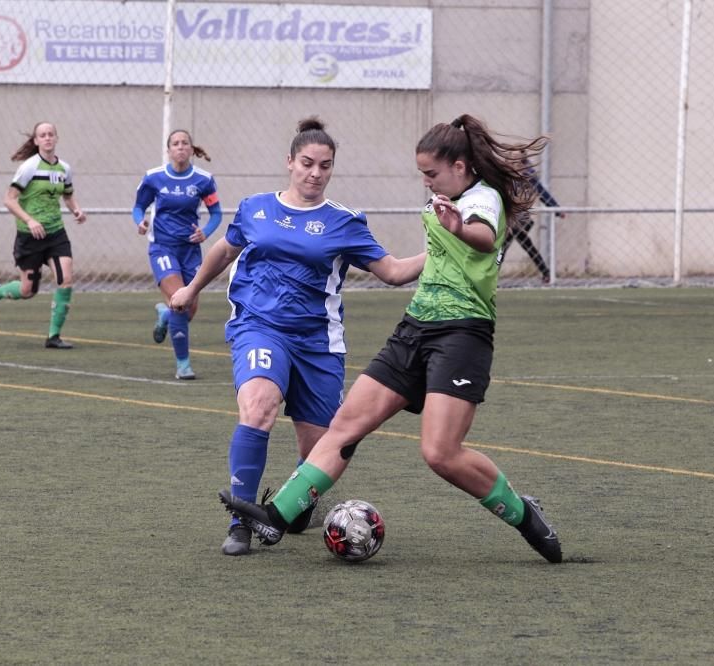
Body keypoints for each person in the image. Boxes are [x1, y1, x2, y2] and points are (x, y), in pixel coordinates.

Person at [219, 114, 564, 564]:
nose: (425, 182)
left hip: (462, 334)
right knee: (345, 427)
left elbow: (480, 236)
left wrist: (461, 228)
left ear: (460, 166)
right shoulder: (446, 197)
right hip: (415, 327)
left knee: (440, 454)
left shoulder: (482, 200)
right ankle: (275, 517)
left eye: (431, 173)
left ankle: (524, 514)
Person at [169, 117, 426, 556]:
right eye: (307, 163)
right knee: (259, 404)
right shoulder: (256, 208)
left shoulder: (343, 222)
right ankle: (241, 521)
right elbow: (224, 249)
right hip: (259, 327)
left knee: (324, 448)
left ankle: (293, 502)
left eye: (324, 166)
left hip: (318, 343)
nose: (315, 173)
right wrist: (191, 288)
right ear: (289, 162)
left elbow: (394, 272)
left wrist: (444, 253)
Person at [0, 121, 87, 349]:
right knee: (27, 291)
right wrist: (29, 220)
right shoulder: (29, 167)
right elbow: (9, 199)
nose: (48, 138)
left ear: (56, 138)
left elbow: (68, 196)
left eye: (51, 134)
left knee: (66, 280)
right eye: (43, 135)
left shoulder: (64, 169)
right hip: (29, 237)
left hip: (55, 233)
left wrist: (76, 210)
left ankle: (53, 336)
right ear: (36, 141)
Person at [133, 129, 223, 380]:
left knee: (189, 307)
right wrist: (140, 222)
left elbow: (216, 213)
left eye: (185, 143)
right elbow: (139, 206)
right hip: (162, 247)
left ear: (192, 150)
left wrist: (205, 232)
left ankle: (165, 314)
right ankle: (183, 365)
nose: (181, 147)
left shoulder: (203, 180)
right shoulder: (154, 178)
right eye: (176, 143)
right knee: (180, 302)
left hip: (190, 252)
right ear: (169, 150)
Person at [501, 157, 565, 283]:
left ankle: (491, 276)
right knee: (522, 243)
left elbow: (542, 193)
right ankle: (546, 272)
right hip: (508, 219)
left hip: (520, 220)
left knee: (508, 243)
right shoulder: (505, 176)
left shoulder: (528, 176)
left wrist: (556, 210)